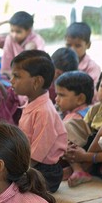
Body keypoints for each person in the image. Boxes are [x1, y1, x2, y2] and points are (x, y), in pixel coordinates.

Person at [11, 50, 67, 192]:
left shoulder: (44, 112)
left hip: (45, 172)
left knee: (9, 186)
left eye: (16, 76)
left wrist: (16, 173)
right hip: (29, 163)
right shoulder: (31, 102)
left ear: (36, 81)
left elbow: (37, 153)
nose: (11, 80)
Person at [0, 11, 45, 80]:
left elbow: (42, 64)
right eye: (12, 31)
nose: (14, 35)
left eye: (18, 32)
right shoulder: (9, 38)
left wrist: (28, 52)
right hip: (11, 74)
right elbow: (6, 64)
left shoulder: (37, 40)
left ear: (29, 31)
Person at [65, 22, 101, 90]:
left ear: (88, 45)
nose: (72, 49)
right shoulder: (61, 62)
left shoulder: (92, 68)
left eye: (78, 45)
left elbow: (93, 92)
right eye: (68, 45)